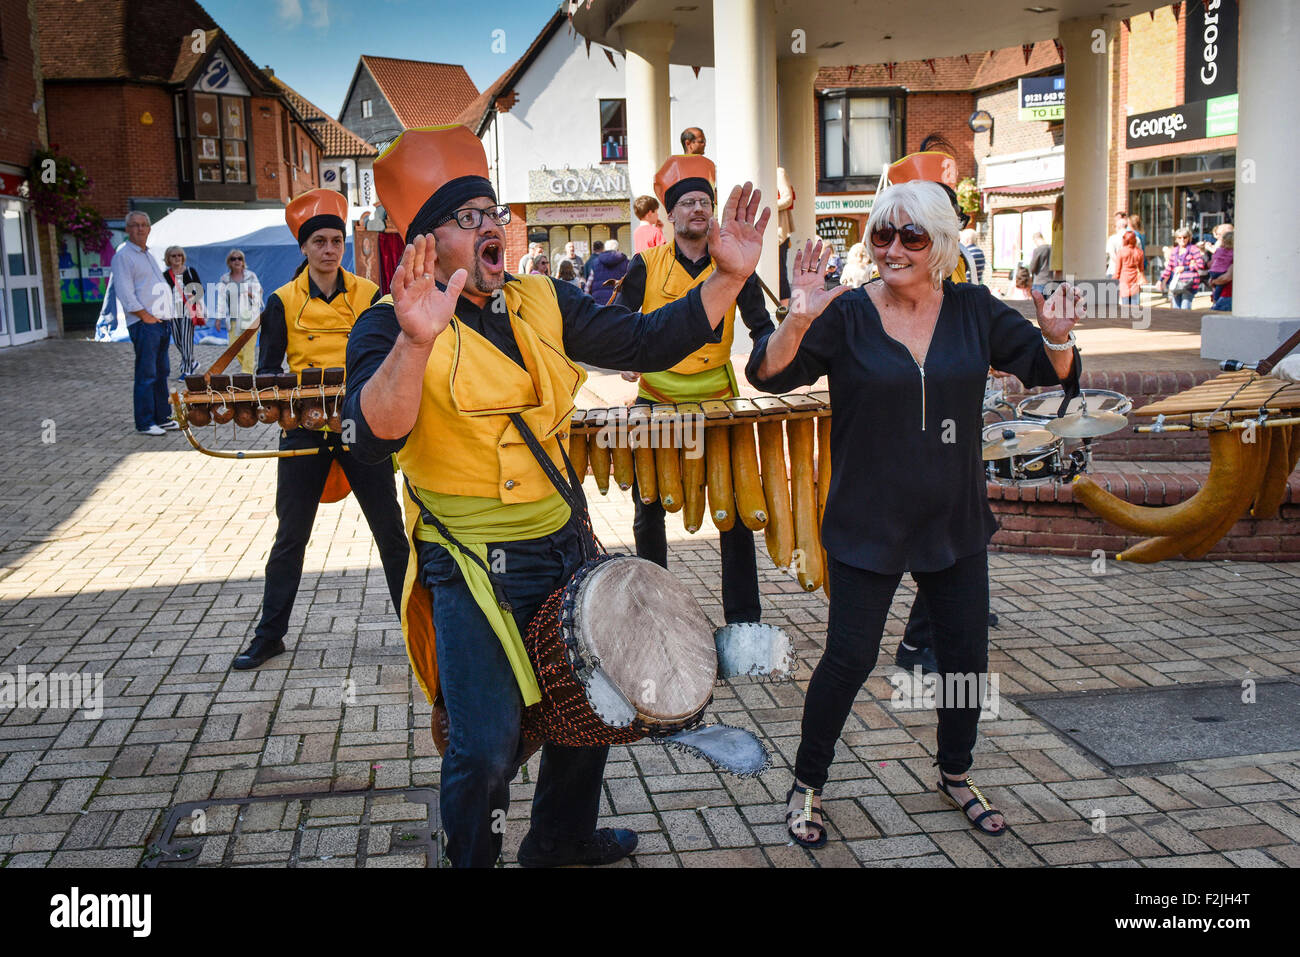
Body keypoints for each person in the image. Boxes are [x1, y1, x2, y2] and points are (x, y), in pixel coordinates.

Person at [341, 125, 769, 868]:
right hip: (470, 558)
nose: (487, 226)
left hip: (562, 537)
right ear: (424, 243)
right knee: (487, 741)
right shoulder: (387, 323)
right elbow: (372, 437)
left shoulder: (542, 297)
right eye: (464, 217)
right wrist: (414, 343)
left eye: (490, 211)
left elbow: (642, 342)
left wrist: (726, 280)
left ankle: (559, 841)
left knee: (593, 696)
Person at [747, 180, 1082, 847]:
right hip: (867, 519)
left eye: (910, 236)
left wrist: (1058, 337)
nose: (892, 248)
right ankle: (807, 782)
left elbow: (1050, 375)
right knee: (848, 657)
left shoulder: (973, 310)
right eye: (881, 234)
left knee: (965, 657)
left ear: (943, 245)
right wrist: (799, 317)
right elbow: (769, 374)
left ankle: (955, 773)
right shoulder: (844, 314)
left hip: (952, 519)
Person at [232, 188, 409, 672]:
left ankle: (420, 636)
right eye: (320, 242)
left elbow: (393, 361)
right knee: (291, 536)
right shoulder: (281, 301)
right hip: (305, 428)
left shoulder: (370, 295)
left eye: (336, 241)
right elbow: (267, 373)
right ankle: (270, 636)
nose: (330, 250)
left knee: (391, 534)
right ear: (305, 249)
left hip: (361, 426)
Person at [613, 154, 773, 629]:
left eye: (705, 201)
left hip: (717, 401)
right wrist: (626, 356)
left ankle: (744, 620)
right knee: (648, 511)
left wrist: (782, 356)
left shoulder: (734, 265)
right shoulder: (645, 264)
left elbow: (762, 329)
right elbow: (618, 321)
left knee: (738, 511)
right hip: (657, 401)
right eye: (688, 203)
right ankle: (657, 613)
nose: (698, 209)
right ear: (670, 214)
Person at [111, 210, 177, 436]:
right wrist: (145, 316)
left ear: (149, 229)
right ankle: (145, 422)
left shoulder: (148, 254)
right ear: (127, 229)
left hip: (160, 324)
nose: (140, 229)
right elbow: (125, 292)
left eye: (144, 225)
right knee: (146, 374)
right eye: (135, 225)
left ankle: (163, 417)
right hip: (145, 324)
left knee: (161, 372)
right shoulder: (124, 256)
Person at [217, 249, 262, 373]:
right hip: (232, 317)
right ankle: (250, 364)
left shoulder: (251, 276)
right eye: (233, 259)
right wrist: (218, 318)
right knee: (233, 347)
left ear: (243, 261)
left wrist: (248, 293)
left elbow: (259, 293)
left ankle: (246, 372)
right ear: (229, 262)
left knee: (249, 347)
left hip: (249, 316)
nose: (236, 261)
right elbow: (221, 299)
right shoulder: (224, 279)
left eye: (239, 258)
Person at [162, 246, 204, 376]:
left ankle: (187, 369)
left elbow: (201, 290)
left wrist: (193, 294)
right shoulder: (165, 275)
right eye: (173, 256)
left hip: (188, 309)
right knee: (178, 340)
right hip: (173, 311)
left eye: (179, 255)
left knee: (186, 339)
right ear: (168, 258)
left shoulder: (190, 271)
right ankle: (192, 361)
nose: (177, 258)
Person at [1159, 227, 1206, 309]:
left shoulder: (1193, 249)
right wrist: (1161, 280)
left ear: (1189, 238)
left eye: (1185, 237)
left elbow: (1201, 264)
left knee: (1185, 308)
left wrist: (1185, 268)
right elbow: (1169, 267)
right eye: (1179, 238)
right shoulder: (1175, 250)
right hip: (1177, 283)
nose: (1182, 240)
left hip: (1189, 283)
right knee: (1176, 308)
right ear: (1176, 239)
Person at [585, 238, 629, 305]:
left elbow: (588, 285)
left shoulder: (596, 262)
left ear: (605, 249)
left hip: (599, 302)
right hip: (619, 301)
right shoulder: (625, 262)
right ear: (617, 249)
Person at [777, 166, 795, 300]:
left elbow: (787, 198)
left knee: (780, 273)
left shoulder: (778, 172)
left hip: (778, 232)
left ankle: (783, 311)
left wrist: (767, 205)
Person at [1116, 229, 1145, 309]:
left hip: (1124, 280)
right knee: (1135, 307)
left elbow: (1117, 271)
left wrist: (1113, 281)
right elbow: (1141, 269)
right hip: (1135, 280)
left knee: (1125, 307)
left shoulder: (1121, 252)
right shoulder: (1139, 252)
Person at [1208, 228, 1234, 305]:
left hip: (1214, 270)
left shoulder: (1219, 250)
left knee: (1216, 286)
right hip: (1222, 271)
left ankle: (1215, 298)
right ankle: (1216, 298)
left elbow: (1213, 259)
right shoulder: (1233, 252)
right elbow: (1226, 278)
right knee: (1219, 286)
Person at [1105, 211, 1130, 279]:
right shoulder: (1136, 239)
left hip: (1114, 271)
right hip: (1129, 272)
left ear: (1117, 227)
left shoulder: (1112, 239)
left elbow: (1111, 255)